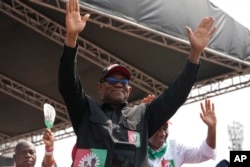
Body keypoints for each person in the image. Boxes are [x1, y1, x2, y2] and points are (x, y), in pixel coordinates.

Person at [58, 0, 216, 166]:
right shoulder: (86, 111)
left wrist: (195, 54)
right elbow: (68, 85)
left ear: (129, 89)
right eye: (112, 80)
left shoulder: (143, 115)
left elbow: (176, 95)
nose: (118, 84)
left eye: (124, 81)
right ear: (100, 87)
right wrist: (71, 38)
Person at [147, 99, 217, 167]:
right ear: (146, 129)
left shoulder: (176, 149)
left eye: (165, 128)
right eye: (157, 129)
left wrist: (211, 128)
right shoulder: (137, 150)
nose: (162, 134)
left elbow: (205, 154)